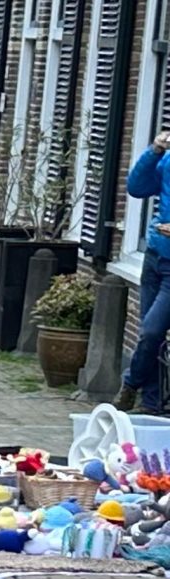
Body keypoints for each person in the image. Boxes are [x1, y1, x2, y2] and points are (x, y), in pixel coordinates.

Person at [115, 131, 170, 416]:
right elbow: (137, 188)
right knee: (149, 335)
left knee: (151, 330)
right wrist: (154, 151)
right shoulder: (168, 159)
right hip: (155, 256)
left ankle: (130, 384)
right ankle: (150, 404)